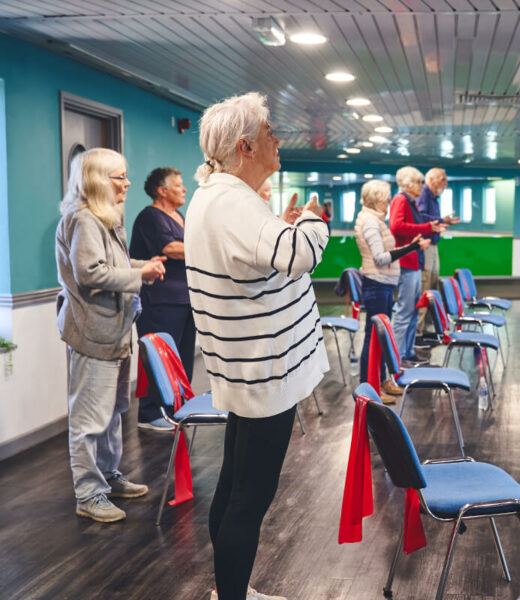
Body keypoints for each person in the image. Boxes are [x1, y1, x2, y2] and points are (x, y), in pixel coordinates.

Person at [185, 92, 328, 600]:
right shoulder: (229, 202)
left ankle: (232, 592)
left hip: (250, 367)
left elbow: (258, 261)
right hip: (263, 370)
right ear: (246, 146)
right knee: (249, 494)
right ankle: (231, 596)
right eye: (269, 131)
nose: (276, 139)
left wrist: (281, 226)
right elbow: (298, 254)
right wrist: (311, 218)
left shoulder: (221, 198)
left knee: (236, 484)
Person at [55, 148, 166, 523]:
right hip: (94, 334)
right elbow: (90, 273)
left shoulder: (105, 219)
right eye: (120, 177)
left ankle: (108, 475)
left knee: (114, 411)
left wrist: (141, 265)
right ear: (99, 181)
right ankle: (89, 493)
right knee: (89, 418)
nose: (127, 183)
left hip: (116, 333)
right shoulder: (83, 220)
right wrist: (141, 276)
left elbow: (112, 265)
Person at [130, 167, 194, 432]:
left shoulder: (177, 215)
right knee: (160, 357)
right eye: (178, 185)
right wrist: (208, 246)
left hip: (184, 297)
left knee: (182, 356)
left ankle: (177, 408)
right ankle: (151, 413)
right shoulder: (150, 216)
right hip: (159, 299)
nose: (184, 189)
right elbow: (170, 249)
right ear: (162, 191)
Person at [354, 179, 430, 399]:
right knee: (373, 338)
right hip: (377, 284)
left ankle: (382, 381)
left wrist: (409, 247)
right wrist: (412, 247)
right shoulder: (370, 222)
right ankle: (370, 389)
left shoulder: (374, 220)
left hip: (382, 284)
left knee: (380, 337)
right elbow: (380, 258)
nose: (388, 202)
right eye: (386, 198)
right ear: (377, 200)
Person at [388, 166, 446, 366]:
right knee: (405, 313)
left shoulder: (410, 202)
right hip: (406, 263)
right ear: (407, 185)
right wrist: (425, 228)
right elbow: (396, 226)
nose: (423, 186)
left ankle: (408, 352)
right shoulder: (401, 199)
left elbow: (415, 224)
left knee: (413, 311)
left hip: (414, 261)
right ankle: (396, 358)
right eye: (420, 182)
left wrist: (430, 227)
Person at [414, 168, 459, 338]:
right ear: (431, 179)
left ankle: (425, 328)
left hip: (433, 245)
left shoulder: (433, 198)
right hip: (425, 247)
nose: (445, 183)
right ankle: (417, 334)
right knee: (425, 287)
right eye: (442, 179)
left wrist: (443, 221)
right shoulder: (424, 195)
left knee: (432, 287)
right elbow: (421, 218)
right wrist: (442, 220)